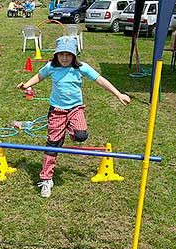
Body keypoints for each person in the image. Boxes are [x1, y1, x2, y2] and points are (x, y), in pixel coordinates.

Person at [17, 36, 131, 197]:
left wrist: (118, 94)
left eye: (68, 54)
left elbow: (100, 80)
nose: (64, 58)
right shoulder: (51, 66)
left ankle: (69, 130)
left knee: (80, 135)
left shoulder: (82, 68)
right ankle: (46, 178)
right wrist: (26, 85)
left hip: (76, 109)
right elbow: (39, 76)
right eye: (61, 54)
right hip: (57, 110)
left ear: (74, 55)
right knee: (53, 144)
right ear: (56, 54)